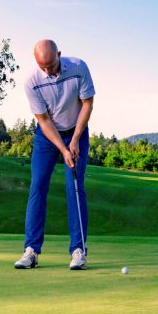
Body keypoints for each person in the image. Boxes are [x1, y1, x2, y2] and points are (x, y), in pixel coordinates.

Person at [14, 39, 94, 270]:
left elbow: (87, 104)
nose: (49, 72)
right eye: (44, 68)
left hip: (76, 130)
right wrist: (63, 149)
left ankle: (78, 251)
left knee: (75, 188)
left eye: (52, 65)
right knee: (38, 186)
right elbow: (44, 120)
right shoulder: (32, 82)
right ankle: (31, 250)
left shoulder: (79, 67)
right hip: (47, 136)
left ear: (59, 53)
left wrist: (76, 140)